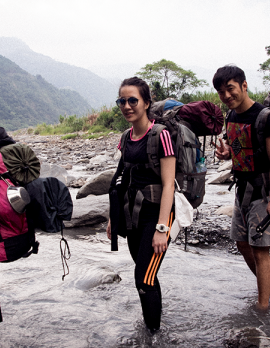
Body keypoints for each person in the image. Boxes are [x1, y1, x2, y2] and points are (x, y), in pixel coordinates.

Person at [106, 77, 176, 332]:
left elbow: (169, 184)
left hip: (157, 216)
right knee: (145, 275)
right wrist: (114, 218)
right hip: (133, 216)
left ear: (146, 103)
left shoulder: (161, 135)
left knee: (143, 279)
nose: (127, 106)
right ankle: (152, 327)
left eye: (132, 100)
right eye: (122, 101)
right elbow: (121, 181)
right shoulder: (126, 138)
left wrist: (161, 228)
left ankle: (154, 336)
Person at [213, 65, 270, 310]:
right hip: (242, 188)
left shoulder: (267, 117)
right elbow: (240, 149)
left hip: (264, 191)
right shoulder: (232, 116)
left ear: (244, 85)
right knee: (242, 244)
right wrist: (226, 154)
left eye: (230, 89)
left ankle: (263, 307)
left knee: (260, 249)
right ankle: (269, 288)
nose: (226, 96)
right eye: (221, 92)